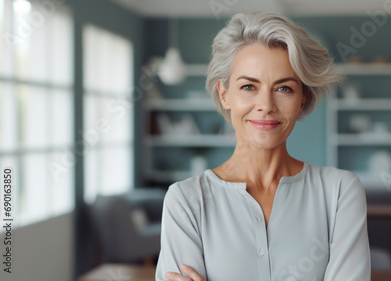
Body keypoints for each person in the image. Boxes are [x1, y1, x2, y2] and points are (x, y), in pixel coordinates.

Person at [156, 12, 370, 281]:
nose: (266, 105)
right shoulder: (186, 201)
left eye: (284, 89)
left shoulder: (339, 193)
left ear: (302, 100)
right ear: (225, 94)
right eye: (248, 86)